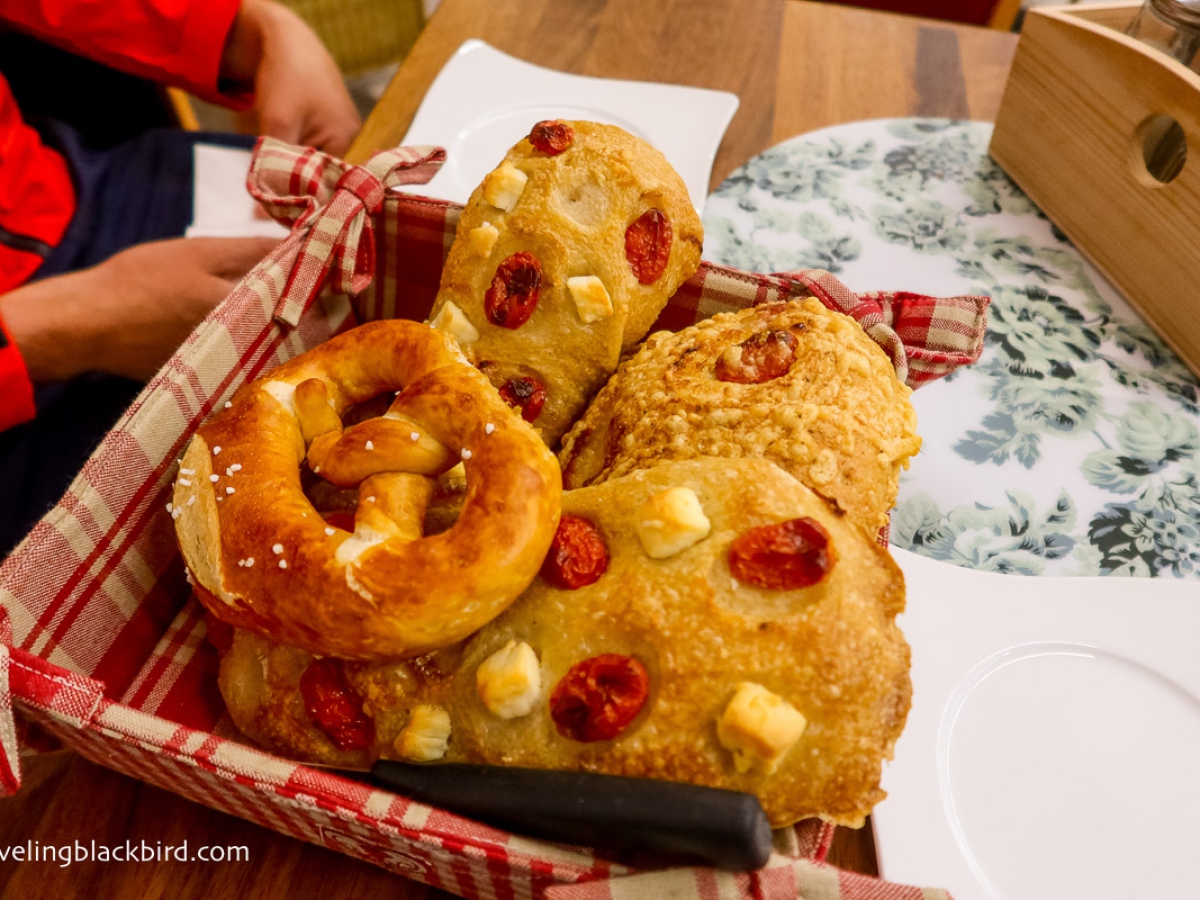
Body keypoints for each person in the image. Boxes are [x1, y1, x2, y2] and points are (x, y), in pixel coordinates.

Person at [0, 0, 362, 557]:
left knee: (376, 245)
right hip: (21, 393)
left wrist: (238, 31)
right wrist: (58, 329)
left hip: (60, 187)